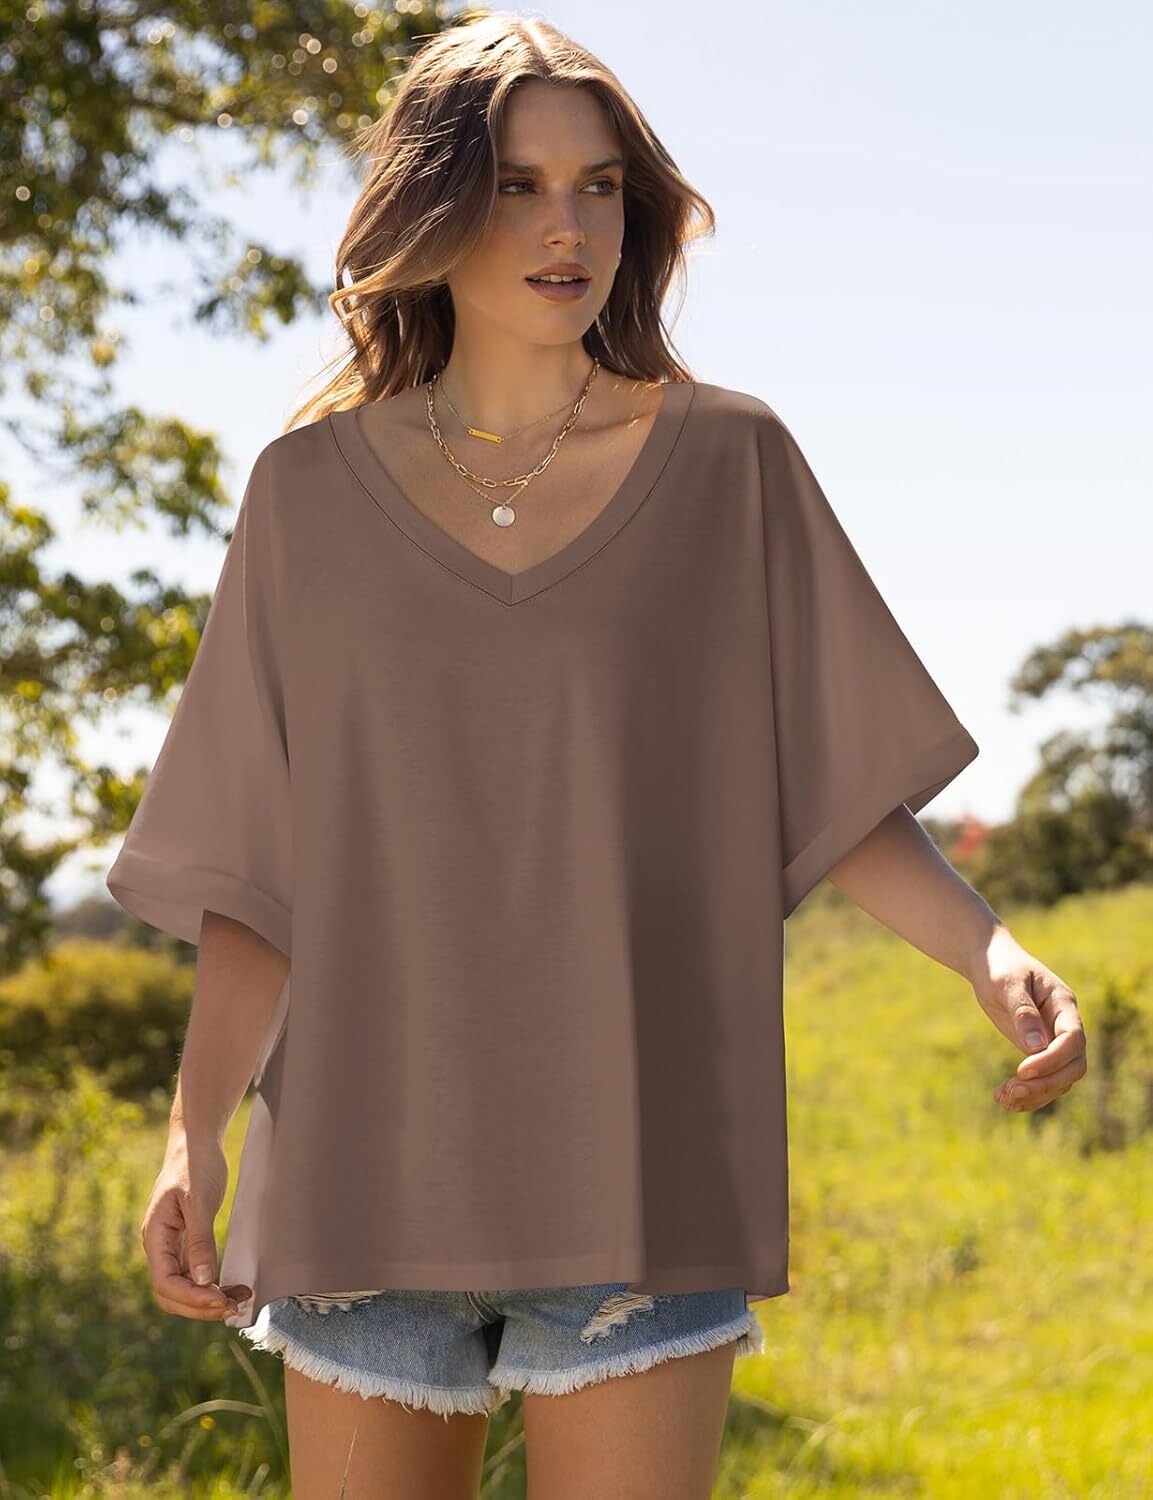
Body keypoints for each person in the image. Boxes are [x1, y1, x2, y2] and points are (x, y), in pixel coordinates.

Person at [109, 12, 1088, 1499]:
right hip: (363, 1177)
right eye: (516, 185)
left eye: (600, 186)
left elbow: (825, 785)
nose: (567, 226)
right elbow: (260, 866)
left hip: (641, 1176)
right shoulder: (304, 495)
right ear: (432, 208)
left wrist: (986, 948)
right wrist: (194, 1133)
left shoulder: (729, 465)